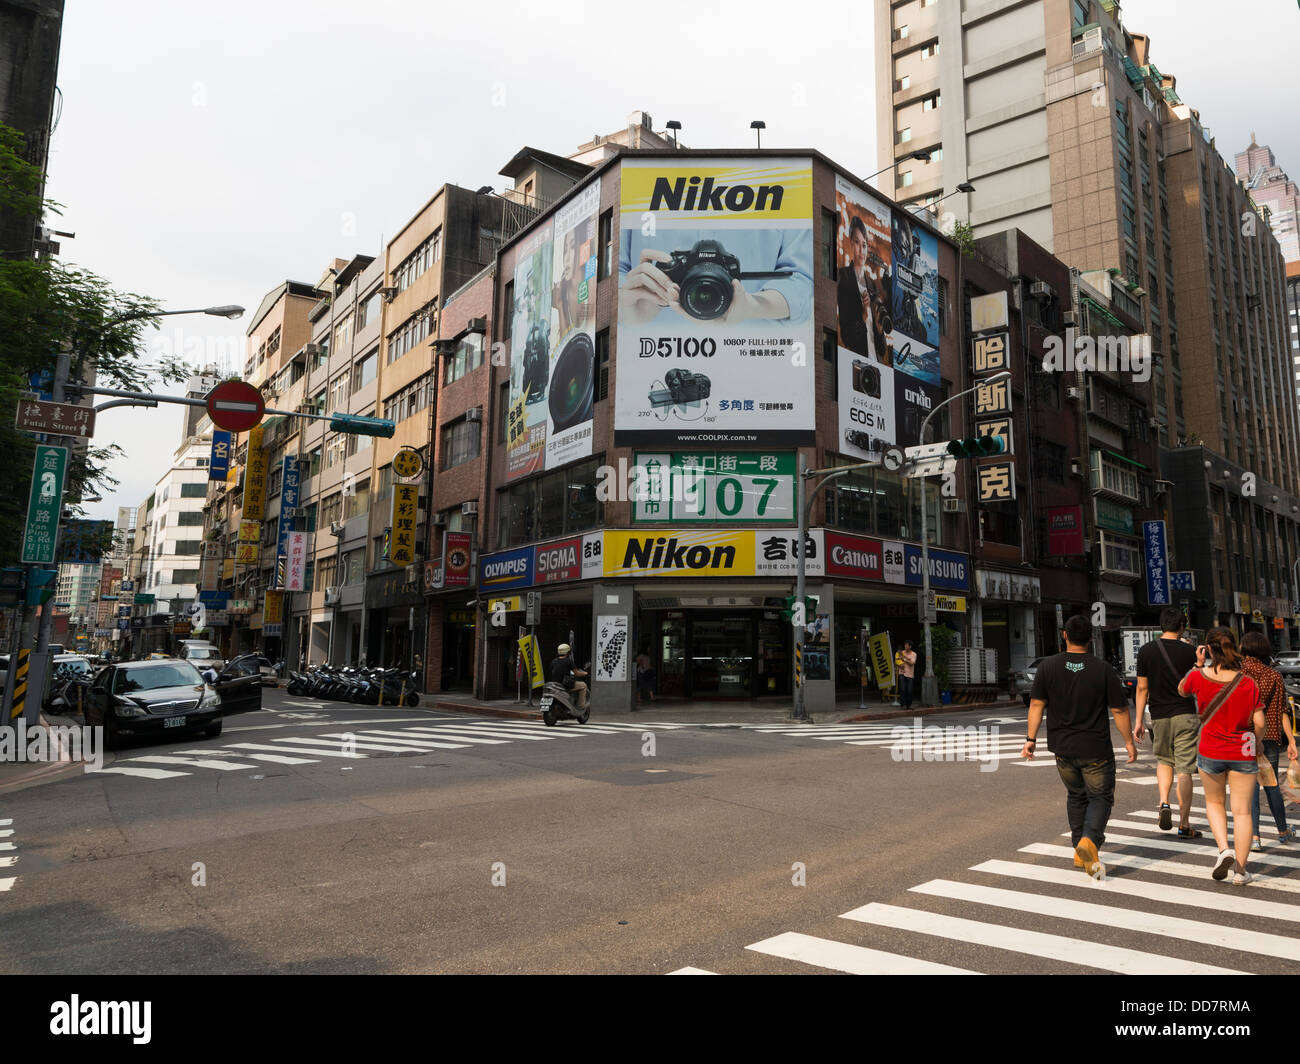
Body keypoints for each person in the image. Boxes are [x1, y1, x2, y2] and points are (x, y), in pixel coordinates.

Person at [1023, 614, 1136, 879]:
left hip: (1062, 748)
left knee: (1076, 795)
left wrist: (1030, 740)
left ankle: (1078, 850)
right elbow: (1119, 709)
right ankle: (1089, 841)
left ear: (1065, 635)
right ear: (1091, 639)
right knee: (1100, 797)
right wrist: (1129, 742)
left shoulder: (1048, 667)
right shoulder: (1103, 668)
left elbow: (1036, 705)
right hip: (1095, 747)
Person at [1177, 627, 1267, 884]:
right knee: (1242, 812)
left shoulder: (1198, 676)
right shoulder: (1248, 683)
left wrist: (1198, 663)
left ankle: (1223, 850)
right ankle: (1240, 871)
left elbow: (1181, 689)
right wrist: (1257, 743)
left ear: (1208, 648)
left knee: (1214, 803)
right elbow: (1259, 723)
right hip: (1242, 751)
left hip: (1210, 750)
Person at [1135, 607, 1203, 839]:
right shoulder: (1190, 652)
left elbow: (1142, 688)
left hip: (1158, 714)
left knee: (1164, 760)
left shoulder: (1146, 651)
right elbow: (1198, 685)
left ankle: (1164, 802)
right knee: (1185, 769)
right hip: (1185, 713)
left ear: (1161, 626)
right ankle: (1184, 824)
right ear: (1181, 626)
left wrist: (1138, 722)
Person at [1239, 631, 1298, 850]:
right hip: (1270, 736)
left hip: (1243, 736)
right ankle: (1282, 831)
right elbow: (1282, 712)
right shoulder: (1274, 676)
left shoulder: (1238, 673)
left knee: (1250, 786)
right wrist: (1291, 741)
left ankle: (1254, 837)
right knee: (1271, 784)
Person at [836, 215, 890, 362]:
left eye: (864, 244)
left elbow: (882, 350)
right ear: (850, 244)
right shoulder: (843, 277)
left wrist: (879, 331)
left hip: (876, 366)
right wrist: (864, 317)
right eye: (857, 242)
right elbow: (846, 338)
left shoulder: (872, 285)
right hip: (855, 363)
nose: (861, 249)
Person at [549, 642, 588, 711]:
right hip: (565, 684)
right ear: (568, 652)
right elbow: (577, 674)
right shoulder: (568, 661)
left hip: (555, 684)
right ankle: (580, 707)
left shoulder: (554, 661)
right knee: (583, 685)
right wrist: (585, 673)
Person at [898, 641, 918, 710]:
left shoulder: (914, 654)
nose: (905, 647)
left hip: (910, 674)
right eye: (905, 645)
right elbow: (897, 660)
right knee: (902, 690)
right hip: (902, 673)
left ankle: (909, 705)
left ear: (910, 646)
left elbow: (912, 663)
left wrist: (904, 659)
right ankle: (903, 704)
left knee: (909, 691)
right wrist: (901, 662)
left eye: (907, 645)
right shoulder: (902, 652)